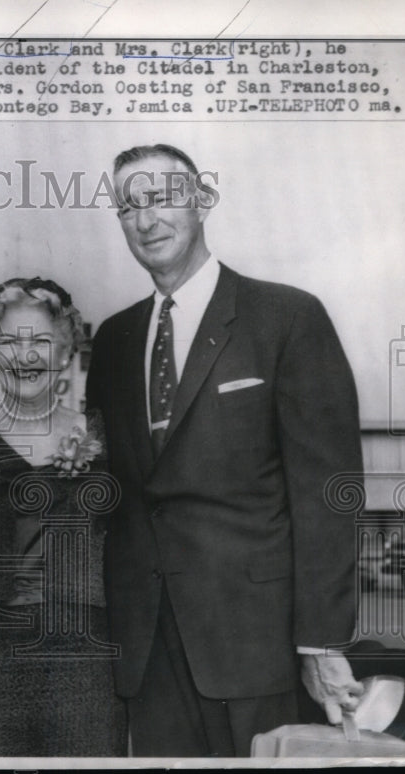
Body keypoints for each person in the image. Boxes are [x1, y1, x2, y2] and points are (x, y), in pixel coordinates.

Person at [85, 144, 365, 757]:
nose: (146, 219)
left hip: (253, 641)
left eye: (162, 198)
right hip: (146, 644)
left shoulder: (285, 317)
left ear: (203, 202)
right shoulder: (113, 339)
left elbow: (327, 495)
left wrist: (320, 642)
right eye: (129, 205)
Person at [0, 277, 127, 757]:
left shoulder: (108, 439)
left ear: (66, 352)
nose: (25, 357)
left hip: (83, 661)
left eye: (41, 342)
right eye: (9, 342)